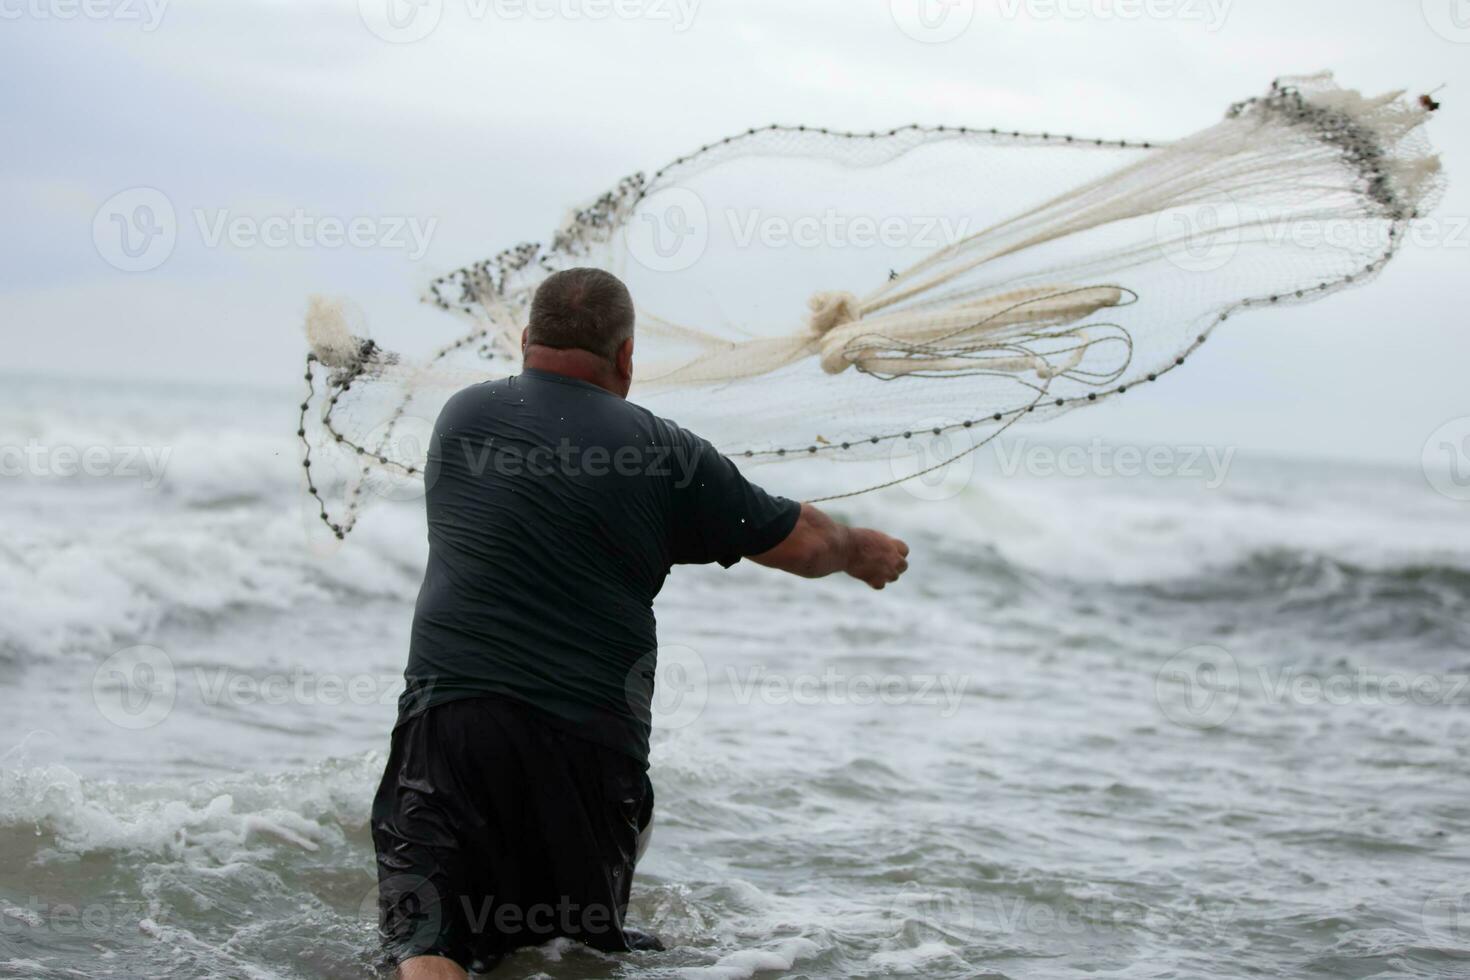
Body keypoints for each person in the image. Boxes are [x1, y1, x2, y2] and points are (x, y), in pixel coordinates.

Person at [371, 267, 910, 978]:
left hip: (451, 724)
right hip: (588, 747)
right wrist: (861, 551)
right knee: (569, 954)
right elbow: (805, 541)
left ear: (527, 340)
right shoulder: (663, 452)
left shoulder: (463, 417)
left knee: (430, 942)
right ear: (627, 357)